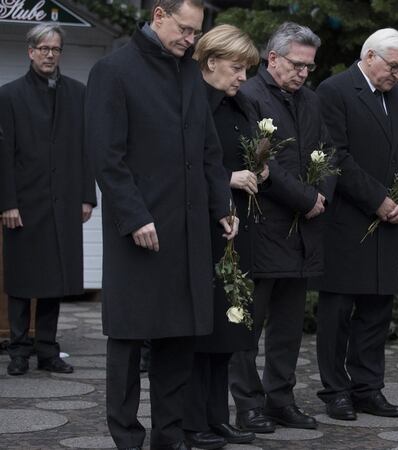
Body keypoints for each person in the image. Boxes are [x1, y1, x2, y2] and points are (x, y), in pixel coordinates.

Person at [84, 0, 237, 448]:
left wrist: (222, 206)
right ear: (158, 15)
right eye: (185, 30)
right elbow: (106, 157)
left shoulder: (188, 70)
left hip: (188, 234)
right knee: (129, 341)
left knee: (179, 340)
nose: (190, 40)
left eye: (195, 33)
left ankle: (169, 437)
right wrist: (134, 217)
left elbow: (209, 151)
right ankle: (127, 438)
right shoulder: (113, 70)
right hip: (140, 233)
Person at [229, 21, 331, 432]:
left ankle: (281, 399)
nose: (304, 73)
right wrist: (307, 199)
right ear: (272, 58)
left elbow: (328, 149)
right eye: (297, 65)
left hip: (303, 232)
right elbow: (260, 165)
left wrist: (323, 193)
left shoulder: (309, 99)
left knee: (288, 328)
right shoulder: (250, 96)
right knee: (248, 327)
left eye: (309, 67)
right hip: (263, 226)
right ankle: (247, 404)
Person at [313, 28, 398, 421]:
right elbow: (336, 156)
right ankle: (335, 390)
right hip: (347, 220)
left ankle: (368, 387)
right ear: (370, 56)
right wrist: (378, 199)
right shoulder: (335, 90)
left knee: (377, 311)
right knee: (338, 312)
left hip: (388, 221)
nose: (397, 75)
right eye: (394, 67)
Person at [181, 24, 262, 450]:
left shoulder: (240, 104)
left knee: (228, 333)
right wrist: (229, 177)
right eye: (237, 68)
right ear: (210, 62)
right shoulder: (192, 101)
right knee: (202, 332)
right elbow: (185, 163)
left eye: (247, 69)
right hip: (203, 229)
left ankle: (218, 417)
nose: (243, 77)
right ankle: (193, 422)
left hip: (237, 227)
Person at [0, 23, 96, 377]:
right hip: (23, 204)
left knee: (56, 280)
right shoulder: (8, 96)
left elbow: (87, 149)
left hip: (65, 201)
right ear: (30, 51)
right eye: (43, 49)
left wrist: (88, 197)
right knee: (23, 281)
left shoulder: (77, 94)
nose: (49, 55)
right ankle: (19, 350)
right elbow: (3, 155)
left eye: (55, 49)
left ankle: (48, 350)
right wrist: (6, 203)